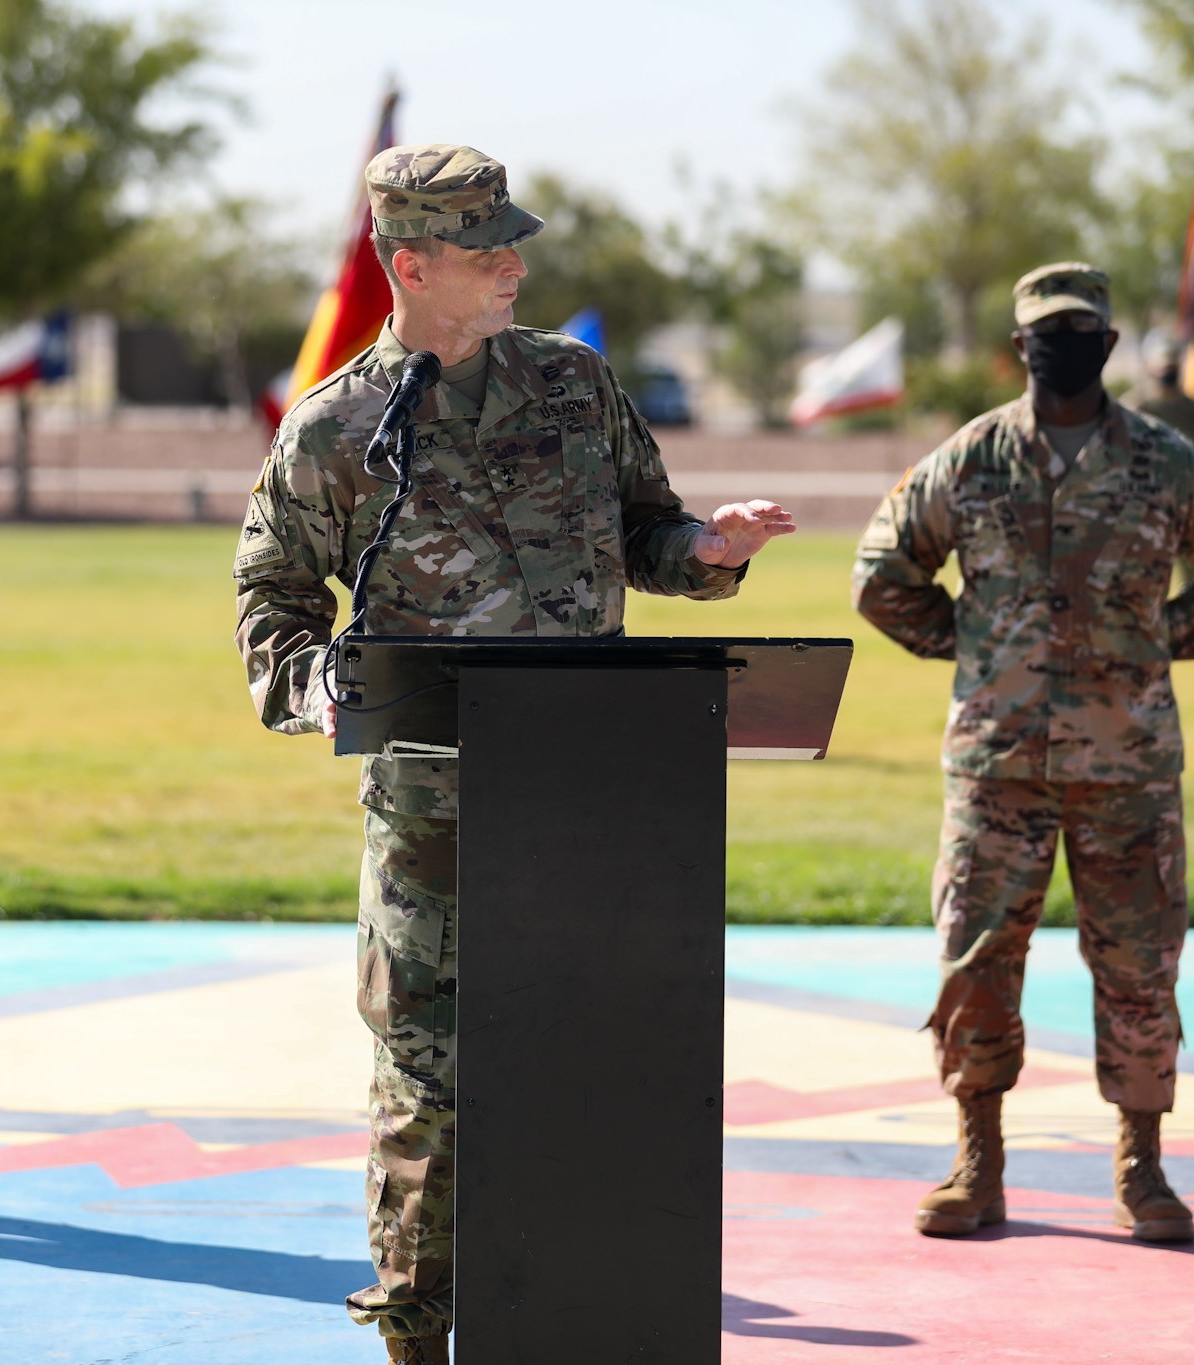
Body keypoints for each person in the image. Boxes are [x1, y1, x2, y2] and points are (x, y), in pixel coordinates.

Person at [235, 144, 794, 1365]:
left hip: (592, 797)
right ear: (410, 264)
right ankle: (413, 1337)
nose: (513, 267)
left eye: (513, 242)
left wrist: (706, 548)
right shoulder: (335, 428)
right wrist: (316, 680)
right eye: (486, 249)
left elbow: (646, 529)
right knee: (427, 1083)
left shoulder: (573, 385)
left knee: (590, 1060)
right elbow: (271, 600)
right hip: (434, 805)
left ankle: (581, 1322)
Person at [852, 262, 1194, 1247]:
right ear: (1019, 349)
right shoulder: (969, 460)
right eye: (1047, 333)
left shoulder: (1166, 464)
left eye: (1081, 331)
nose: (1064, 347)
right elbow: (880, 574)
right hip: (995, 764)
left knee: (1136, 966)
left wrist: (1154, 647)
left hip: (1124, 765)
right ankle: (977, 1162)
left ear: (1110, 347)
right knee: (975, 964)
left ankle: (1141, 1170)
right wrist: (969, 649)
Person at [1133, 335, 1194, 458]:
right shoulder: (1138, 405)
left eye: (1172, 367)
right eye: (1165, 368)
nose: (1169, 373)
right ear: (1152, 368)